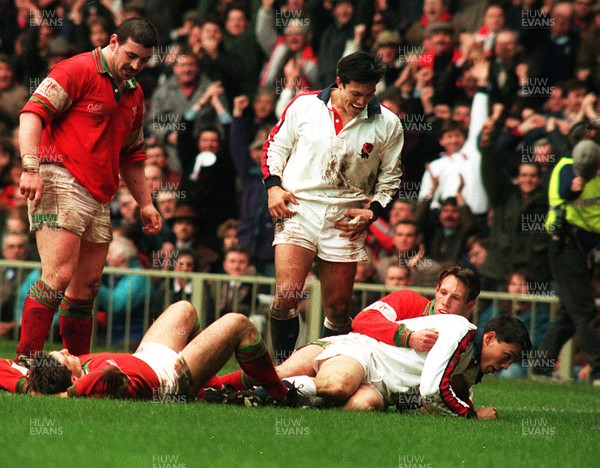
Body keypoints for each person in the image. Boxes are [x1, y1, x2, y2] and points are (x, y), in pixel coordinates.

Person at [16, 18, 162, 357]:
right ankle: (26, 361)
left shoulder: (134, 91)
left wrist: (145, 203)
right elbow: (30, 115)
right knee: (59, 274)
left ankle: (76, 367)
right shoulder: (76, 69)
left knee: (86, 287)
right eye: (131, 56)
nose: (136, 65)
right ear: (113, 42)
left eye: (144, 60)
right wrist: (29, 168)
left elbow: (131, 154)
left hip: (99, 193)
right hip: (58, 176)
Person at [262, 51, 403, 363]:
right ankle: (282, 369)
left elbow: (391, 175)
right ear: (339, 82)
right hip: (298, 207)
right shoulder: (304, 105)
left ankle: (323, 370)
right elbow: (274, 146)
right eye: (355, 93)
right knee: (287, 295)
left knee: (338, 309)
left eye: (369, 94)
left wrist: (373, 211)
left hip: (346, 215)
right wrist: (273, 187)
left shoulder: (388, 123)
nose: (361, 101)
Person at [27, 300, 297, 406]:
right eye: (62, 356)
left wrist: (29, 384)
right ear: (74, 381)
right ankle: (282, 396)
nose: (65, 350)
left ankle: (213, 390)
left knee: (184, 308)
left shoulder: (73, 374)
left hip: (148, 356)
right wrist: (64, 395)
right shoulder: (95, 384)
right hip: (172, 378)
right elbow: (108, 374)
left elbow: (6, 367)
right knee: (239, 323)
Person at [279, 314, 531, 416]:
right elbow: (433, 391)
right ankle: (262, 394)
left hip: (382, 387)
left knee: (359, 407)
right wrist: (474, 416)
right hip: (365, 353)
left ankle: (293, 398)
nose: (506, 366)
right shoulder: (461, 332)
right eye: (506, 355)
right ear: (489, 338)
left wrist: (465, 410)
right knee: (338, 387)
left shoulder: (474, 364)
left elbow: (449, 402)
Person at [534, 136, 600, 385]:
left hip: (584, 249)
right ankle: (598, 369)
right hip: (567, 246)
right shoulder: (566, 167)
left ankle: (541, 367)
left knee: (569, 312)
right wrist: (576, 186)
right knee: (584, 310)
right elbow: (564, 190)